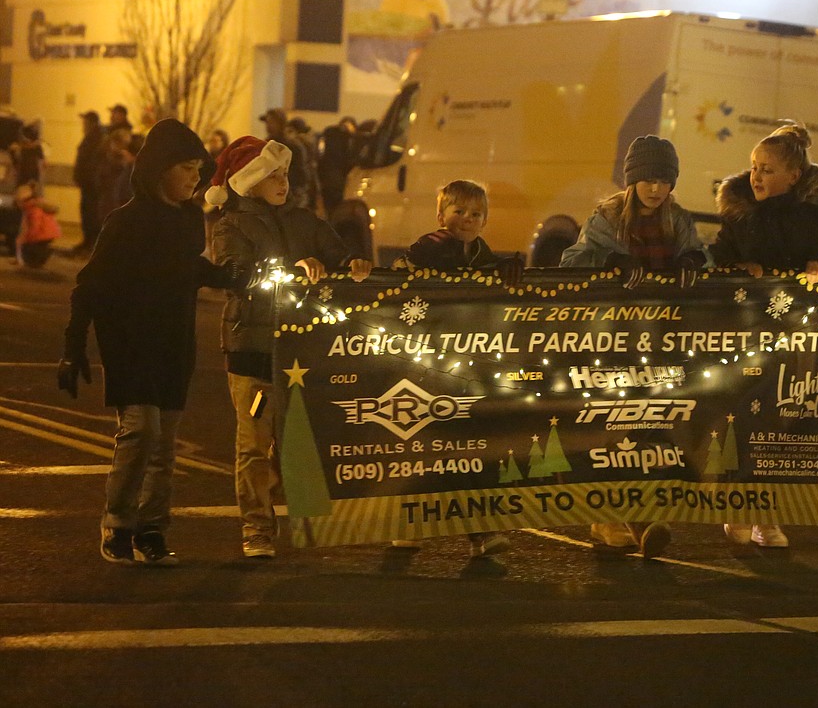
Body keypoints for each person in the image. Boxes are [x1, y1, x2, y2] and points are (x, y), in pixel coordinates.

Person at [57, 118, 252, 566]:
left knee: (164, 445)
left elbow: (186, 268)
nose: (195, 178)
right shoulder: (125, 222)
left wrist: (226, 277)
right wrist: (74, 347)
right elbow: (89, 284)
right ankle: (118, 523)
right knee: (141, 430)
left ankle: (152, 530)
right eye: (186, 168)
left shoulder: (187, 221)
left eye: (199, 169)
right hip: (130, 343)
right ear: (159, 169)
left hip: (173, 343)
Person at [207, 136, 373, 559]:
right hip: (255, 353)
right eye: (273, 174)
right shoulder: (230, 225)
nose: (284, 181)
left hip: (303, 353)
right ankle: (257, 528)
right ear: (252, 180)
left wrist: (354, 264)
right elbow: (235, 273)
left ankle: (292, 506)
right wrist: (289, 271)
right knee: (254, 443)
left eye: (285, 173)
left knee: (298, 440)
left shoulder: (305, 221)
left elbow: (340, 255)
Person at [711, 121, 818, 548]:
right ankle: (738, 507)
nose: (756, 176)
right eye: (753, 167)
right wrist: (737, 269)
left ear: (794, 176)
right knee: (746, 420)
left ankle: (769, 515)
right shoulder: (740, 211)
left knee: (788, 423)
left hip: (806, 337)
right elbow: (716, 257)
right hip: (751, 336)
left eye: (767, 169)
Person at [560, 135, 705, 558]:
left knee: (652, 426)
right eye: (648, 180)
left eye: (664, 180)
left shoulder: (678, 219)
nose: (656, 189)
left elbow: (699, 256)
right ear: (632, 180)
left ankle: (641, 515)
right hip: (615, 338)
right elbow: (573, 260)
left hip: (660, 339)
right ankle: (607, 518)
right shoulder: (606, 218)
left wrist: (692, 262)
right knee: (614, 427)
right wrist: (609, 261)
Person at [395, 179, 521, 558]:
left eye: (476, 214)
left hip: (468, 367)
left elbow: (495, 274)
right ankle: (408, 524)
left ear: (485, 221)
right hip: (426, 362)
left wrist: (509, 267)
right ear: (441, 215)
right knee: (424, 445)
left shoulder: (481, 255)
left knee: (472, 448)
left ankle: (479, 531)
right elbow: (408, 268)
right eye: (459, 212)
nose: (467, 219)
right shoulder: (431, 245)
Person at [72, 110, 107, 254]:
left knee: (91, 213)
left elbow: (93, 161)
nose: (83, 125)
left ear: (91, 123)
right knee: (86, 212)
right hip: (87, 182)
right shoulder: (91, 137)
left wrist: (89, 178)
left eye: (85, 122)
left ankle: (91, 243)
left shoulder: (96, 138)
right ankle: (87, 241)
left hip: (92, 184)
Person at [260, 108, 309, 209]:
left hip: (289, 194)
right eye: (268, 122)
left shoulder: (292, 145)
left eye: (272, 122)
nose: (268, 126)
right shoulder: (265, 145)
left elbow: (300, 173)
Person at [13, 181, 60, 268]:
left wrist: (27, 238)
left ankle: (38, 259)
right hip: (49, 232)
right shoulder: (37, 204)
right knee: (37, 247)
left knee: (30, 247)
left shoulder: (32, 209)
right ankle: (39, 259)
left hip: (43, 233)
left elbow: (35, 225)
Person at [317, 116, 357, 215]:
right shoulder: (349, 140)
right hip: (341, 182)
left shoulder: (328, 135)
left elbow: (320, 159)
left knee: (329, 211)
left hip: (328, 182)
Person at [11, 122, 46, 191]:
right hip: (26, 174)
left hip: (29, 174)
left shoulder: (35, 148)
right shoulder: (21, 148)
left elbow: (43, 162)